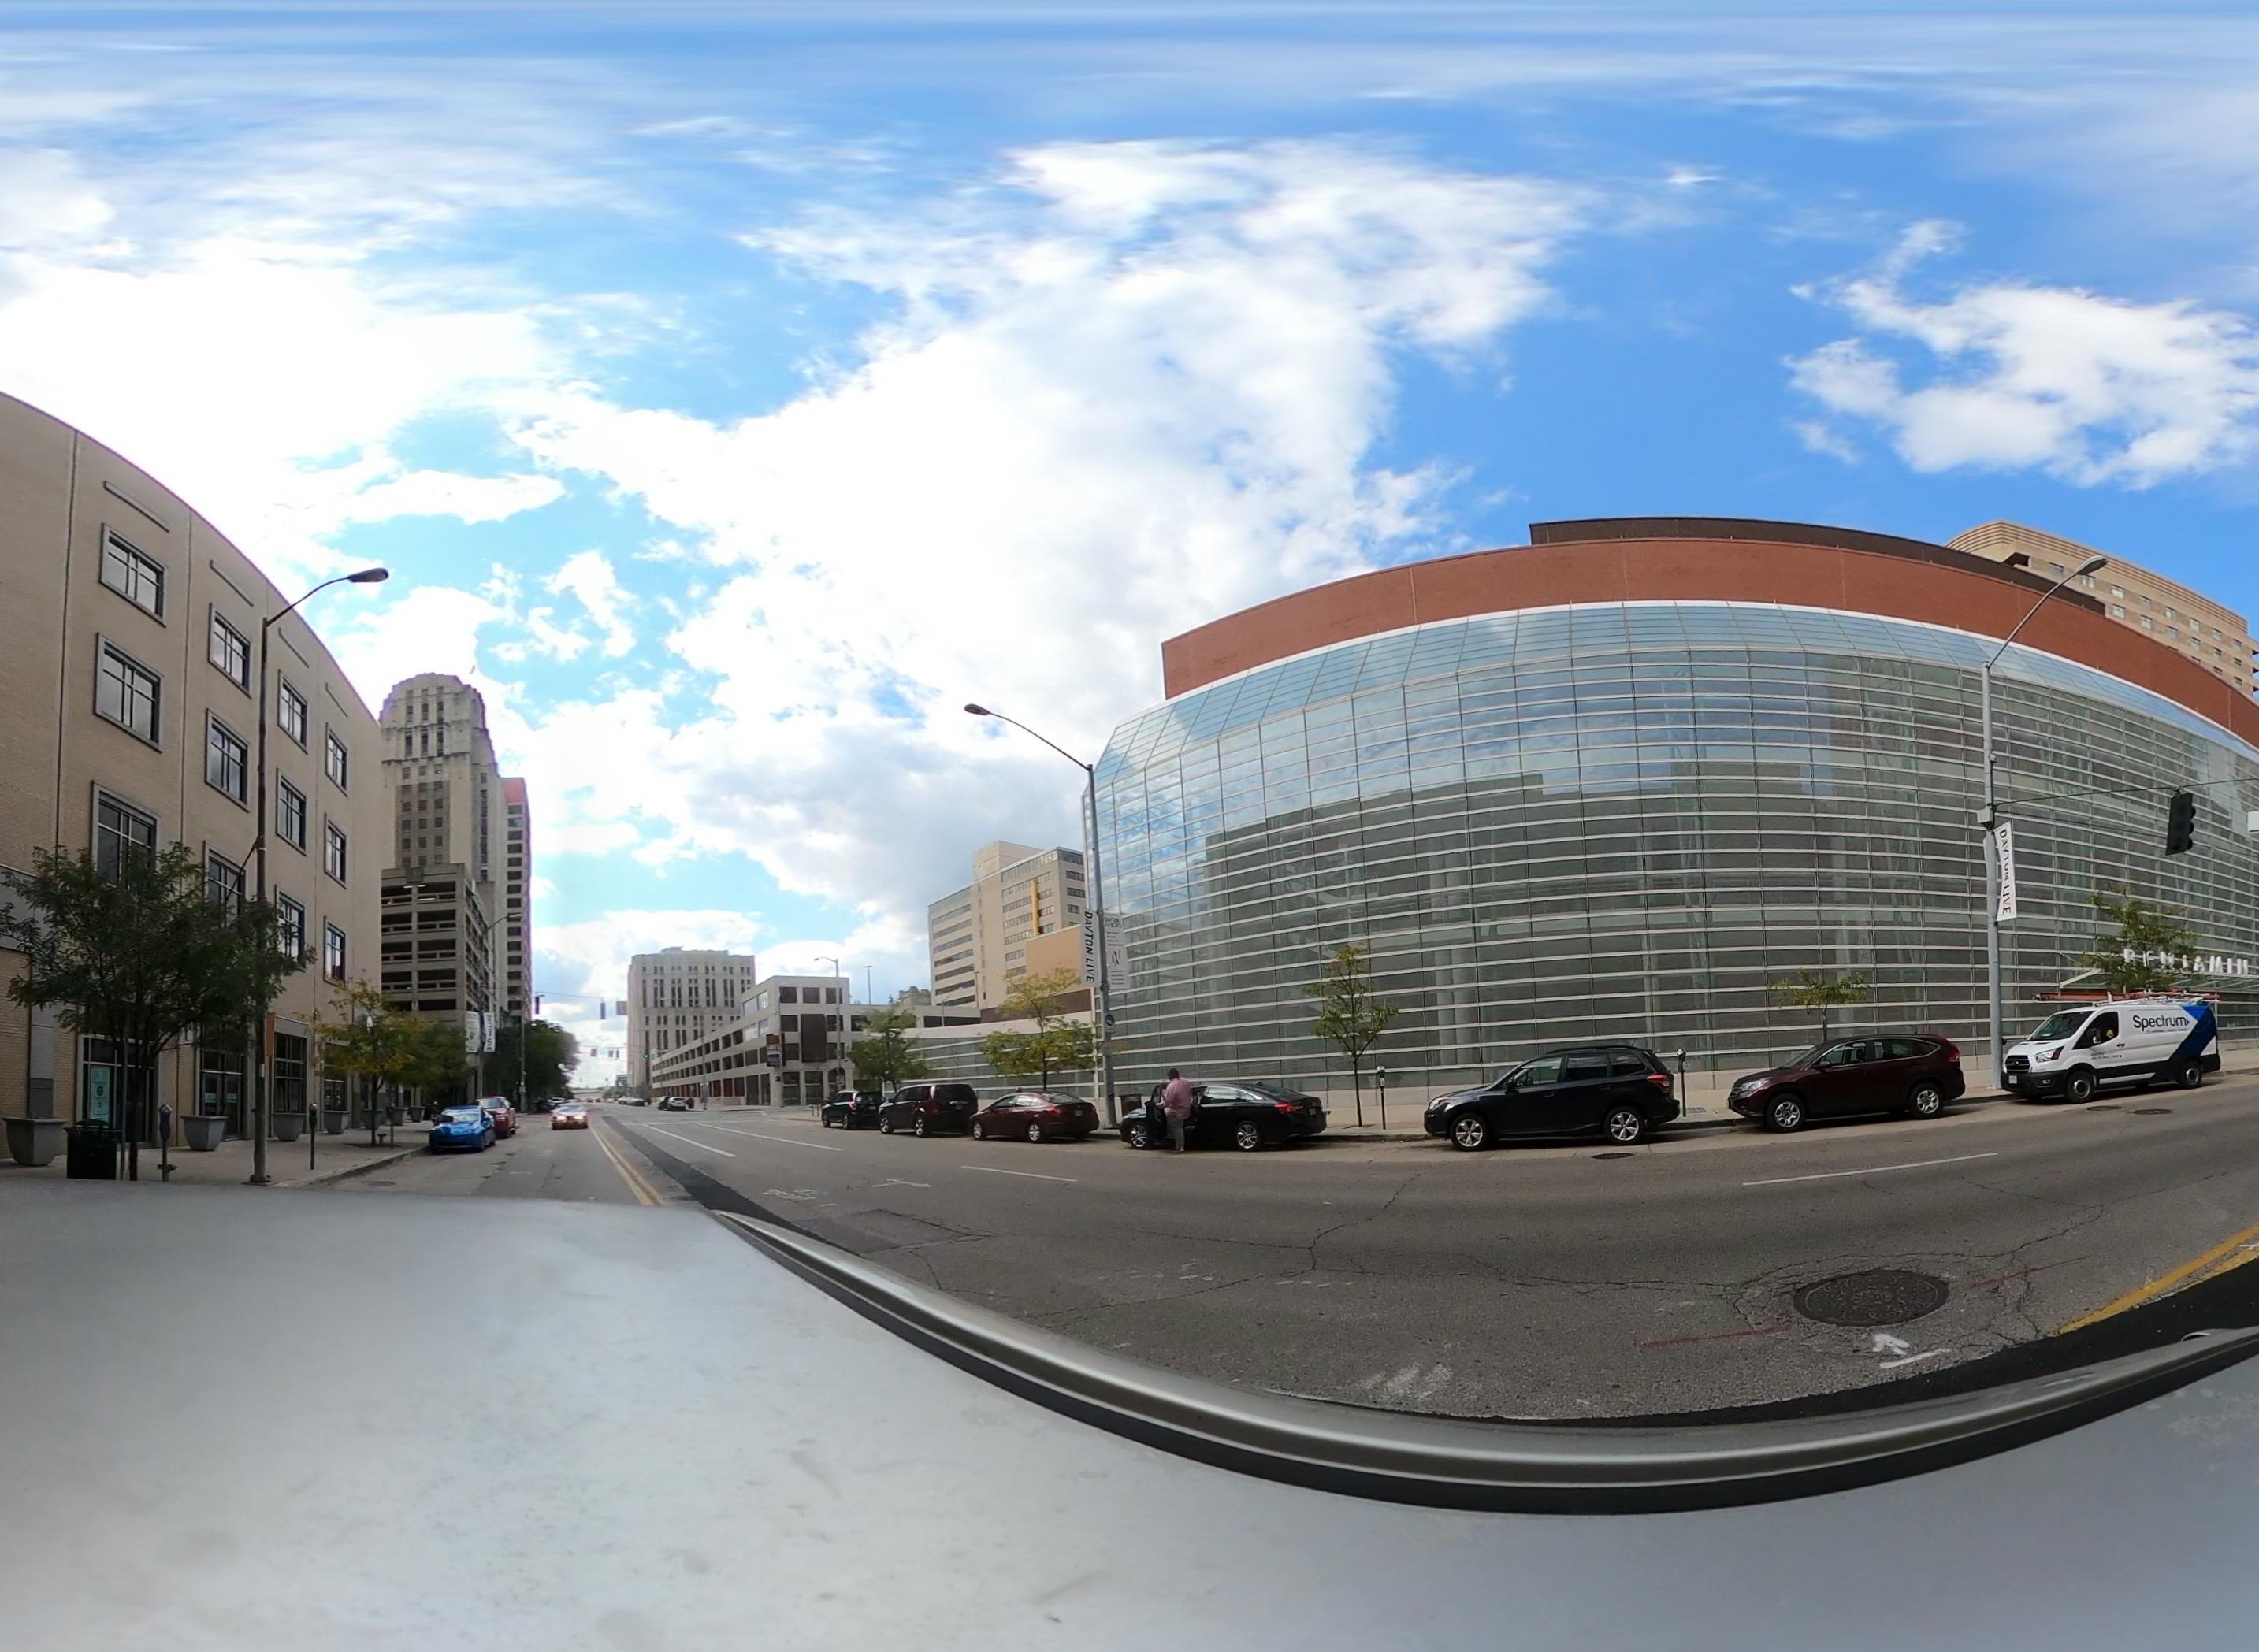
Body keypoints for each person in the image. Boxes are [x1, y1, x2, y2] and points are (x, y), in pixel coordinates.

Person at [1160, 1068, 1195, 1153]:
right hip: (1186, 1108)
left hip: (1177, 1111)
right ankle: (1178, 1143)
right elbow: (1190, 1092)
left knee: (1177, 1128)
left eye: (1169, 1075)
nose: (1168, 1077)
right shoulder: (1185, 1081)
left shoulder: (1171, 1086)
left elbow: (1168, 1101)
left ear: (1171, 1076)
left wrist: (1161, 1104)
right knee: (1180, 1127)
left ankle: (1179, 1147)